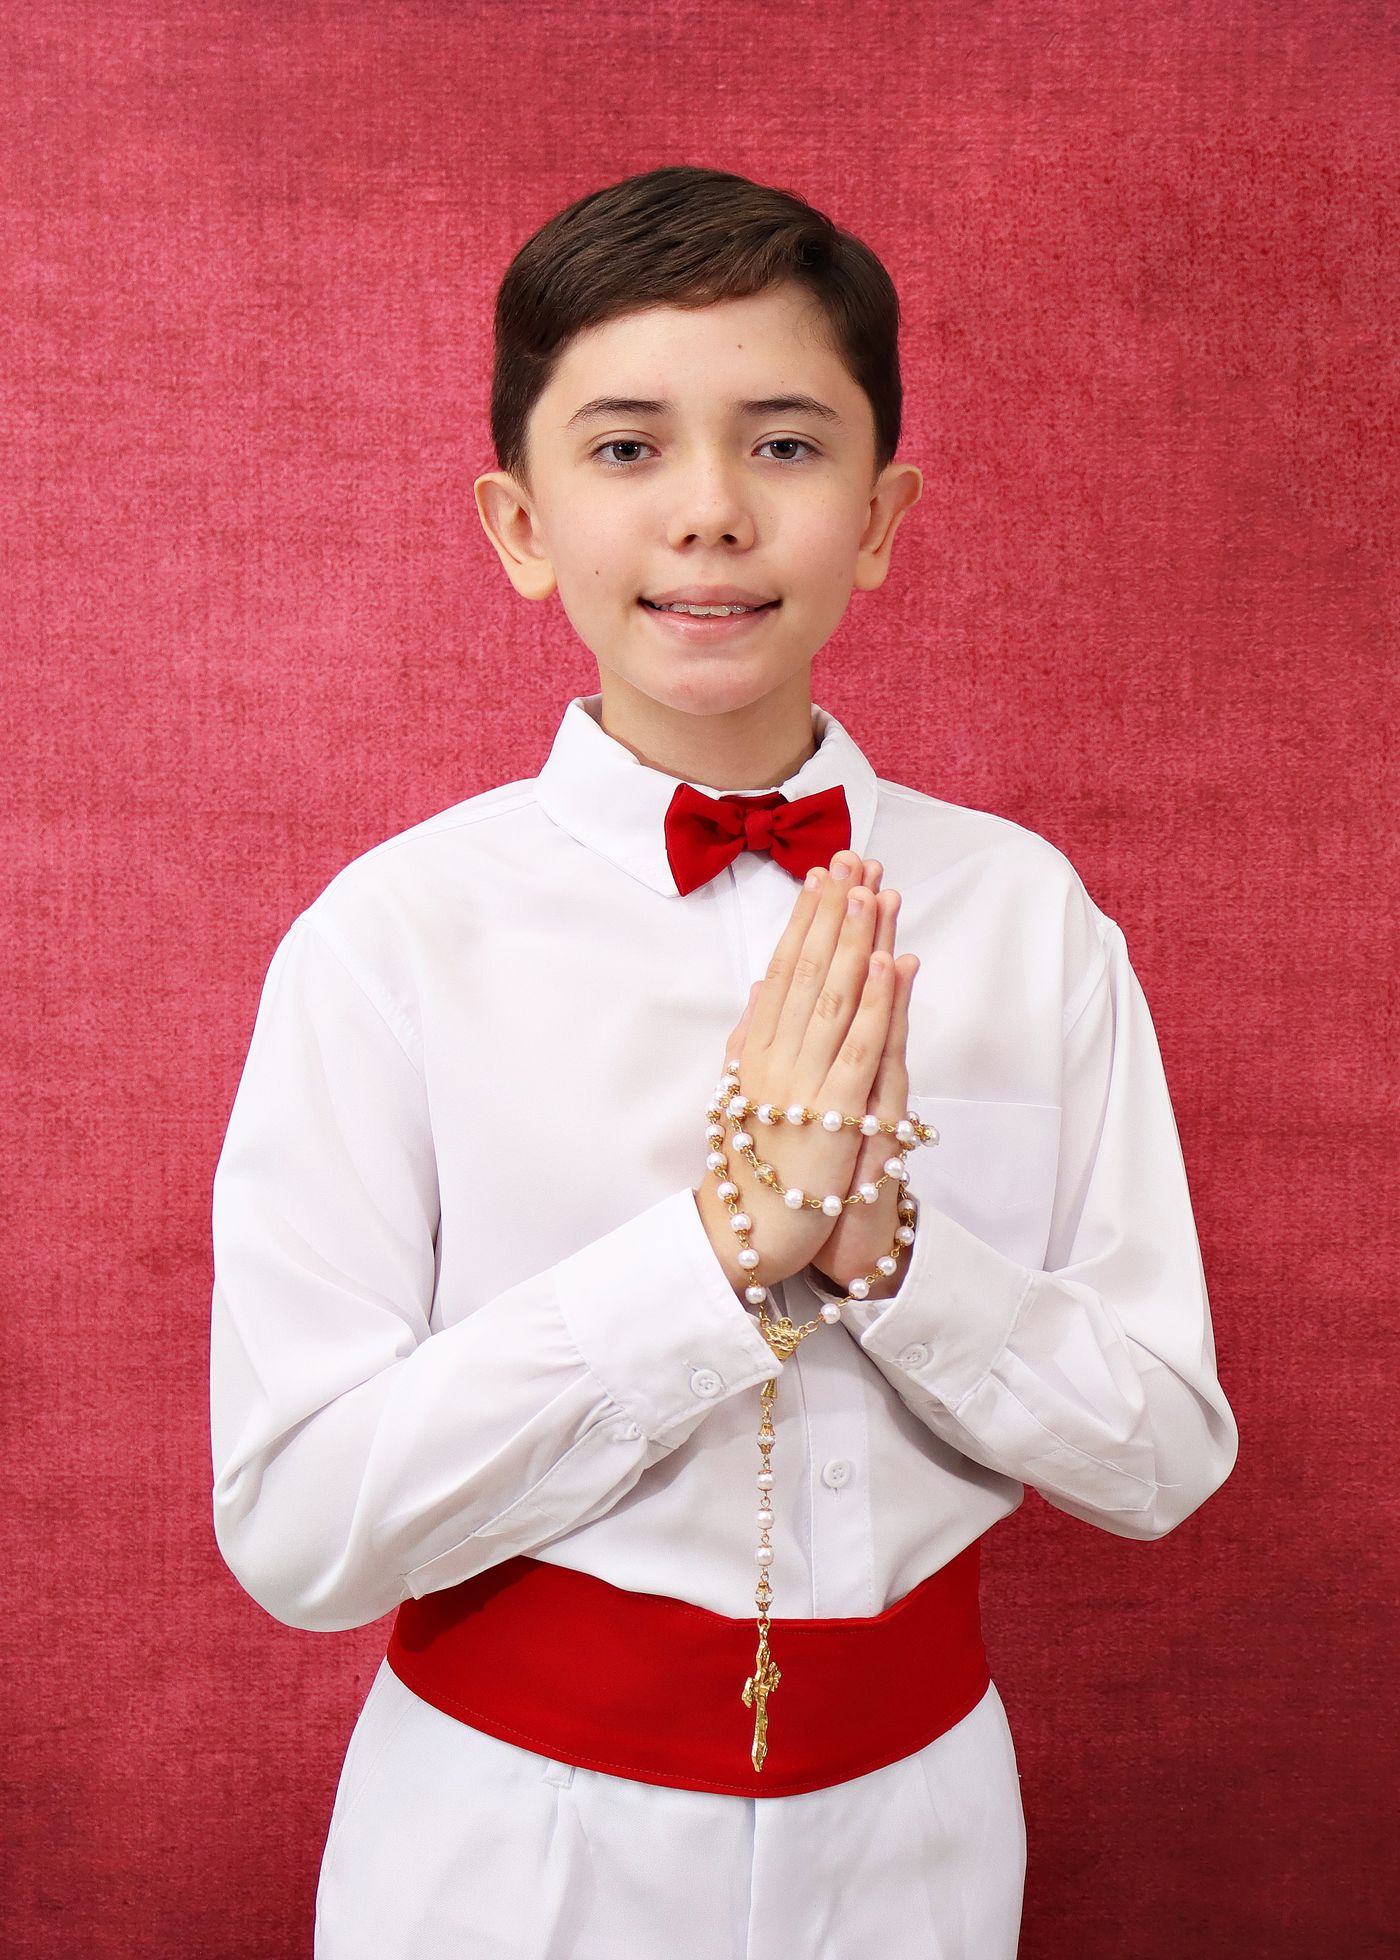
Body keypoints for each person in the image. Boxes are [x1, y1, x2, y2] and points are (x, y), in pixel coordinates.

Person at [208, 164, 1239, 1958]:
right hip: (507, 1853)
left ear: (882, 514)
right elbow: (301, 1528)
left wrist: (891, 1257)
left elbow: (1162, 1458)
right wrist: (720, 1252)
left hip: (924, 1841)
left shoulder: (1026, 912)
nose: (709, 512)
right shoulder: (391, 938)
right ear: (521, 525)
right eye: (625, 449)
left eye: (784, 444)